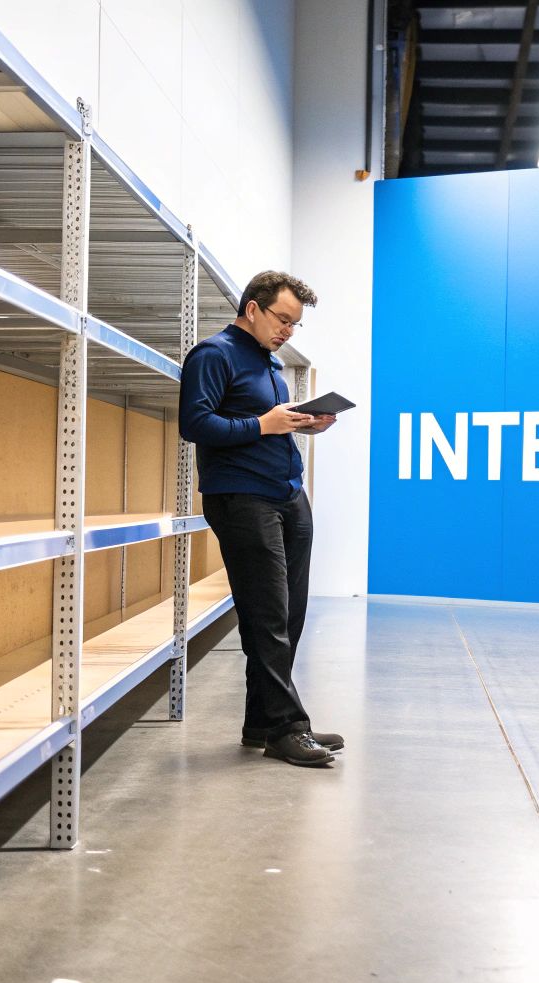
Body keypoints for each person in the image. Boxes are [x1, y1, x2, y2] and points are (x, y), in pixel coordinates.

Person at [178, 270, 341, 767]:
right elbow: (194, 423)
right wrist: (262, 423)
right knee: (267, 615)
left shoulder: (267, 364)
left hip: (286, 494)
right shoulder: (214, 354)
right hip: (242, 498)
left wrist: (306, 423)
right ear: (253, 308)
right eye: (282, 319)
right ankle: (287, 728)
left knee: (289, 614)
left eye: (294, 324)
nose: (288, 330)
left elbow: (264, 427)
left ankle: (260, 722)